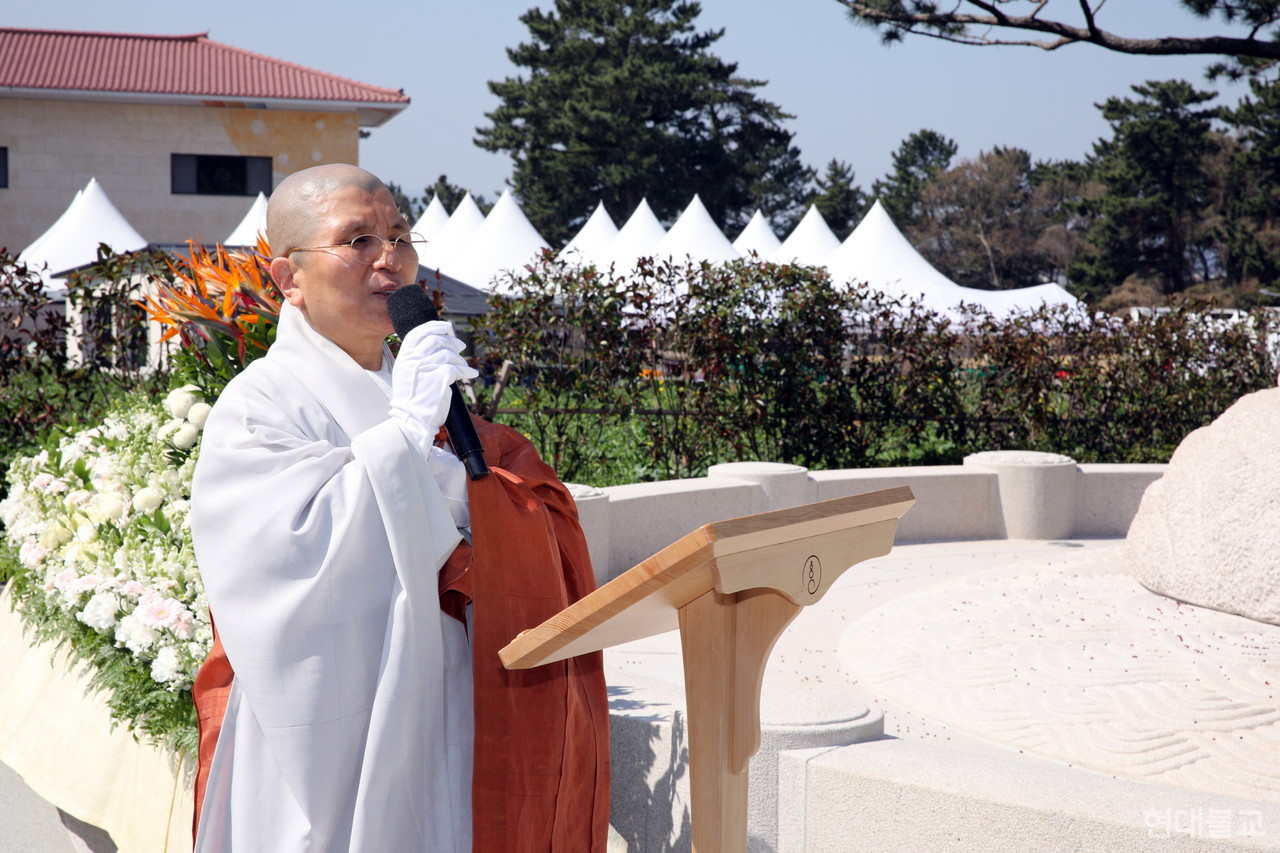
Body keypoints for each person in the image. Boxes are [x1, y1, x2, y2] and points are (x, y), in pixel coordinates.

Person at [189, 164, 610, 852]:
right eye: (357, 240)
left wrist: (463, 482)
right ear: (287, 279)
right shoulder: (258, 405)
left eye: (400, 235)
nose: (390, 258)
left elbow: (471, 524)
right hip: (328, 731)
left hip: (436, 696)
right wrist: (408, 439)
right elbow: (291, 556)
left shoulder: (417, 392)